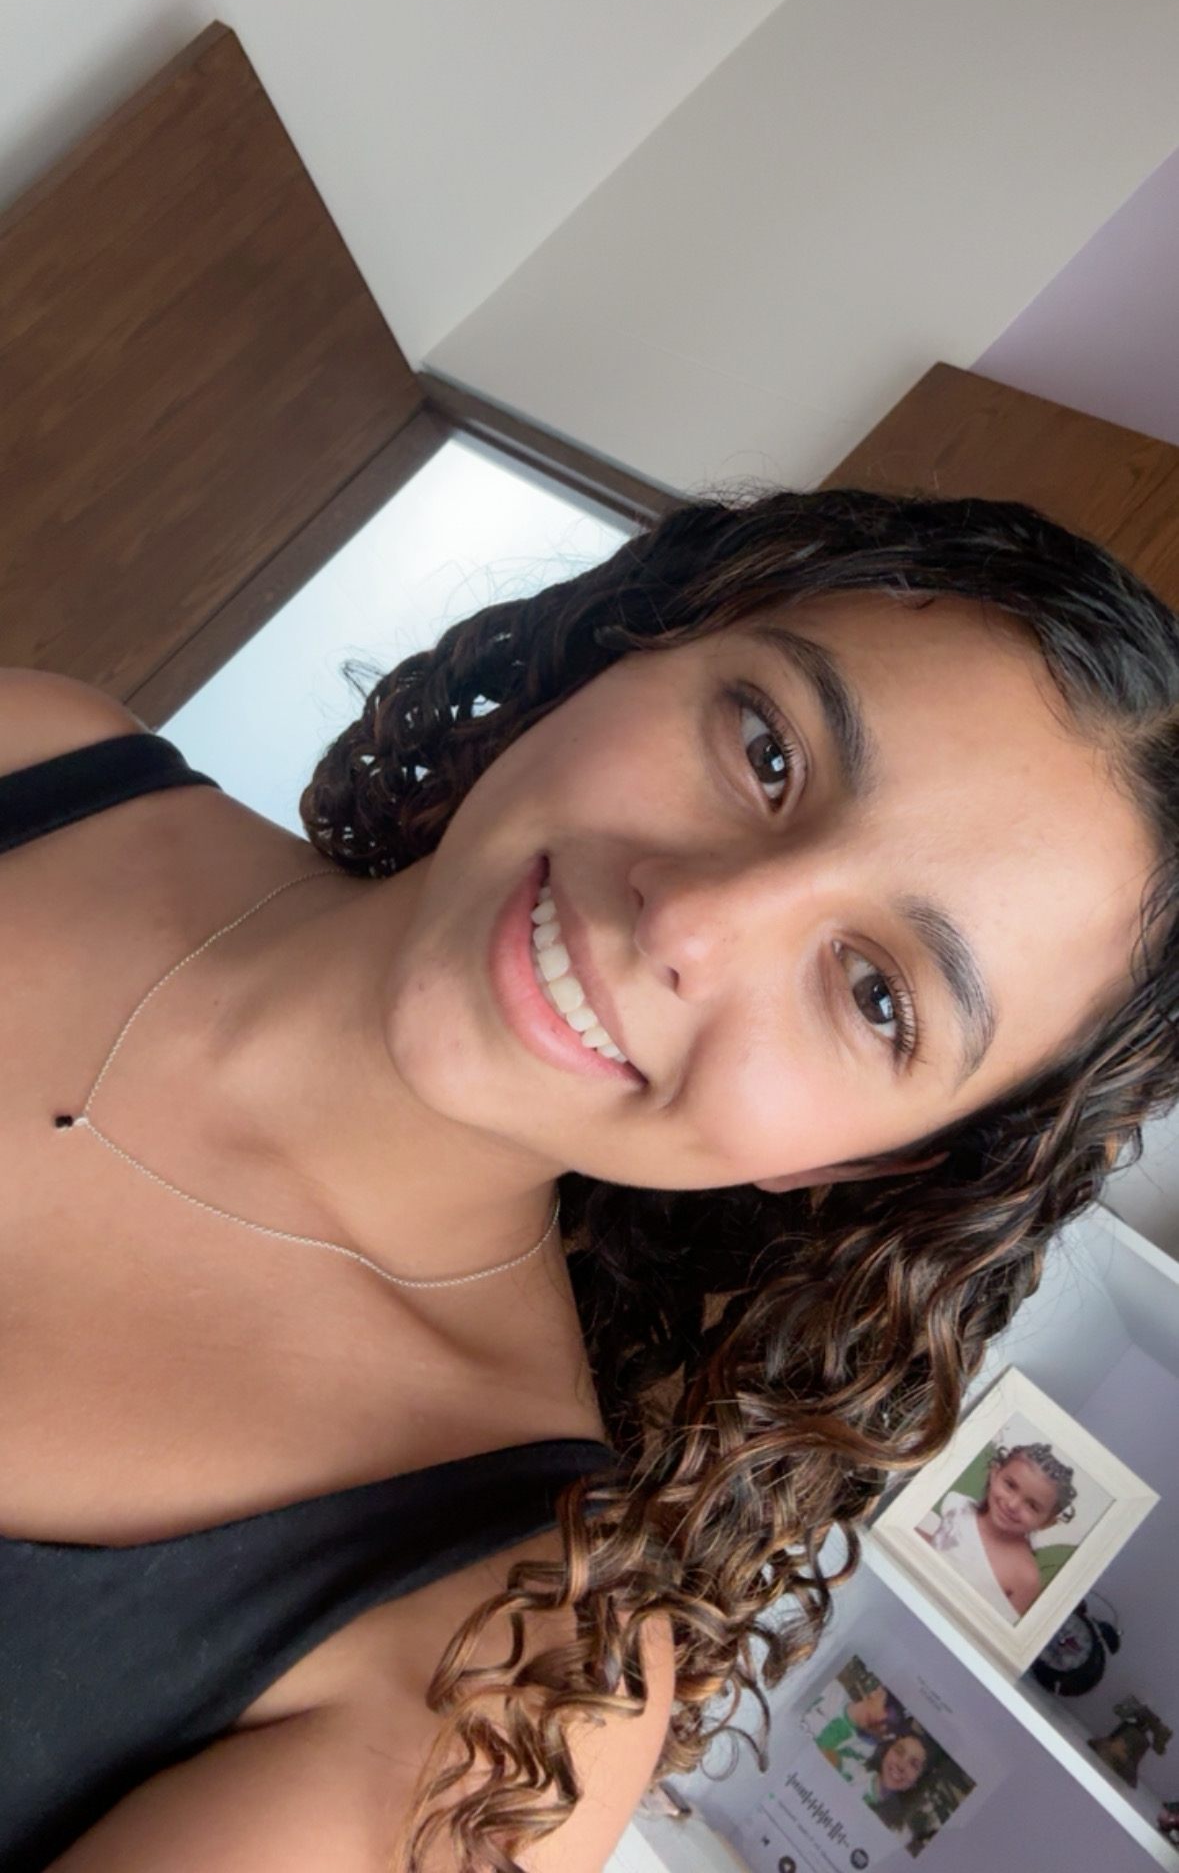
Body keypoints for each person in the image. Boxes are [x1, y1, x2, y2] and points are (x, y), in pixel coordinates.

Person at [3, 486, 1179, 1873]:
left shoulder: (505, 1691)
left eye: (876, 994)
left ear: (867, 1163)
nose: (694, 918)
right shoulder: (41, 750)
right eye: (767, 751)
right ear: (644, 634)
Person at [919, 1442, 1078, 1621]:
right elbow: (940, 1547)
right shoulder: (959, 1507)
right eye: (1010, 1485)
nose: (1012, 1505)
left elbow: (997, 1629)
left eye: (1032, 1506)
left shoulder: (1025, 1577)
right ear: (994, 1473)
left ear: (1047, 1522)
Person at [814, 1678, 906, 1777]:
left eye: (892, 1720)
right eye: (889, 1708)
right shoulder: (830, 1689)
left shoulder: (862, 1756)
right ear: (878, 1692)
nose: (881, 1717)